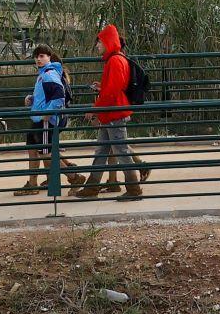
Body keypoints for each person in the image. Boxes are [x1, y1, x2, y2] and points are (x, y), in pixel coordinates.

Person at [75, 25, 145, 201]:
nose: (97, 45)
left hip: (113, 112)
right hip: (112, 112)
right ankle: (92, 187)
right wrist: (102, 89)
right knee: (104, 151)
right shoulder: (117, 59)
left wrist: (95, 109)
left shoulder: (114, 61)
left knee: (120, 151)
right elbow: (113, 88)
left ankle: (133, 188)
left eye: (99, 42)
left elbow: (112, 92)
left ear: (107, 42)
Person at [16, 44, 85, 195]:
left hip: (45, 119)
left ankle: (74, 177)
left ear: (49, 57)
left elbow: (59, 96)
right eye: (36, 56)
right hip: (38, 117)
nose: (38, 59)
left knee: (46, 153)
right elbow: (45, 96)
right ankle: (32, 184)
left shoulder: (49, 74)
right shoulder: (43, 74)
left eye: (41, 56)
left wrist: (48, 112)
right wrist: (32, 99)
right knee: (33, 149)